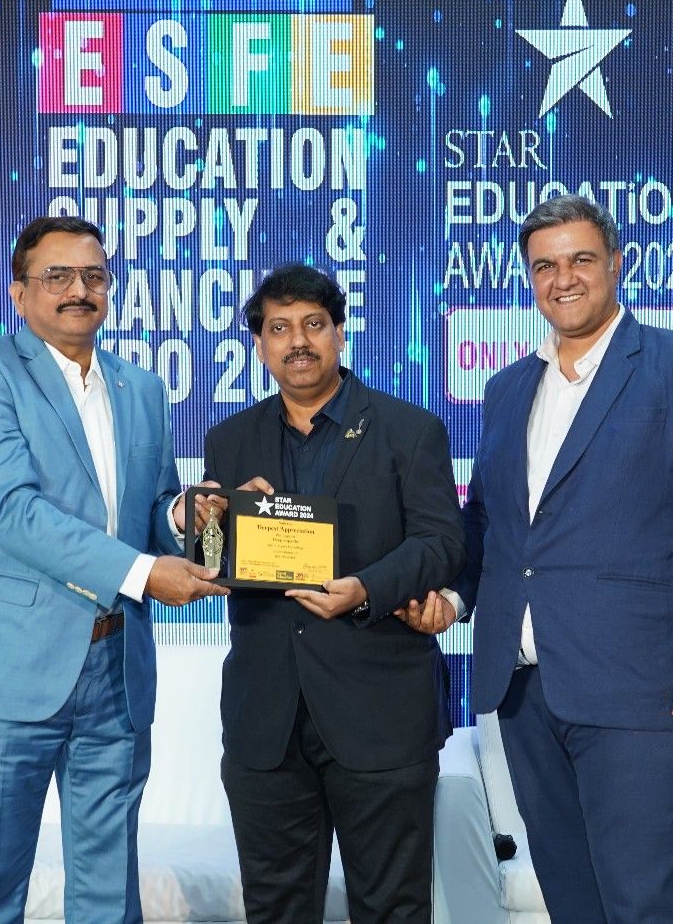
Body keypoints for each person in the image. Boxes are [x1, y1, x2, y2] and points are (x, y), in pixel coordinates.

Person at [436, 195, 673, 923]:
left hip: (641, 688)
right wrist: (454, 597)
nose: (563, 279)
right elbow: (491, 521)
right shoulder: (507, 388)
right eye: (544, 266)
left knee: (642, 901)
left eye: (581, 259)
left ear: (616, 264)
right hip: (524, 689)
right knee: (572, 900)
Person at [0, 215, 225, 924]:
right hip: (6, 672)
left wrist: (188, 517)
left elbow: (151, 509)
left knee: (109, 897)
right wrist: (143, 573)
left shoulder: (142, 388)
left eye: (93, 276)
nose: (78, 290)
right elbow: (10, 510)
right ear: (20, 292)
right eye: (57, 276)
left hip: (116, 670)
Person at [202, 264, 465, 924]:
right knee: (275, 909)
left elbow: (441, 543)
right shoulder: (229, 440)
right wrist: (206, 523)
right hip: (266, 719)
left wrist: (365, 589)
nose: (298, 341)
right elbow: (212, 564)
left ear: (340, 333)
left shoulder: (410, 429)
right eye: (279, 328)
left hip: (381, 712)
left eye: (314, 325)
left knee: (393, 908)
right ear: (259, 344)